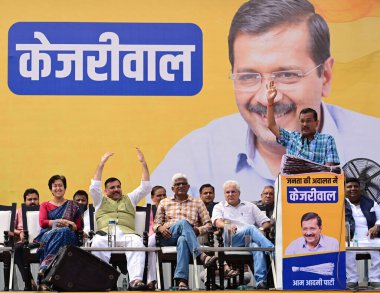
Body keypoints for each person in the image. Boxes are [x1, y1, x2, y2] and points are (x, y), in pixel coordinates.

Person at [151, 0, 380, 201]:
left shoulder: (373, 143)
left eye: (286, 75)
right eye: (249, 77)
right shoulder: (196, 156)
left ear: (326, 76)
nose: (266, 98)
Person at [89, 148, 152, 290]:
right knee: (97, 242)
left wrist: (143, 163)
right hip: (106, 235)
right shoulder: (99, 200)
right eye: (112, 187)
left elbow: (146, 187)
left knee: (137, 242)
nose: (116, 189)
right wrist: (101, 164)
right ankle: (102, 281)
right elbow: (94, 187)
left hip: (127, 234)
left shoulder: (130, 198)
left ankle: (135, 281)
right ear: (105, 191)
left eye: (118, 187)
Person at [153, 173, 218, 290]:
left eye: (184, 184)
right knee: (183, 223)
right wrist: (160, 228)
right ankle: (201, 255)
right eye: (178, 184)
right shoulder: (164, 202)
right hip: (168, 236)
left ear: (188, 187)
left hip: (187, 237)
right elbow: (155, 224)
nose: (181, 186)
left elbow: (208, 225)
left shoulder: (197, 202)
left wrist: (197, 230)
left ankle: (182, 281)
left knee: (183, 239)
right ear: (172, 189)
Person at [212, 180, 274, 289]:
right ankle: (271, 249)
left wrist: (261, 228)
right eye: (227, 192)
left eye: (233, 192)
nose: (230, 194)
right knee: (250, 228)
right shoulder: (219, 206)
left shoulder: (250, 206)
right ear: (224, 194)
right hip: (230, 239)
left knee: (257, 248)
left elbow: (266, 222)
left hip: (247, 240)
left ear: (239, 193)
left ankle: (261, 282)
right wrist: (227, 226)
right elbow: (217, 221)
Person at [266, 86, 340, 166]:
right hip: (293, 178)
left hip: (317, 178)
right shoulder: (292, 138)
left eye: (308, 121)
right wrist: (270, 103)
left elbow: (330, 168)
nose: (305, 124)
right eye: (302, 121)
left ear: (316, 123)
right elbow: (271, 125)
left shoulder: (326, 140)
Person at [34, 175, 82, 290]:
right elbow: (43, 222)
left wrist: (71, 225)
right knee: (62, 231)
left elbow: (78, 226)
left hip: (69, 237)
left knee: (65, 231)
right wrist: (59, 221)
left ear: (65, 188)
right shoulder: (45, 205)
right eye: (54, 186)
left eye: (60, 185)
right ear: (51, 189)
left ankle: (45, 270)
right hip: (48, 235)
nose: (57, 188)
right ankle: (53, 281)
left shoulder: (73, 205)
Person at [345, 178, 380, 290]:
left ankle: (375, 279)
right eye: (349, 186)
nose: (353, 189)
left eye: (356, 186)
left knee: (378, 246)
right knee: (345, 249)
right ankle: (352, 279)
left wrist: (376, 226)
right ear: (344, 189)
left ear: (360, 188)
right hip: (350, 237)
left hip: (369, 236)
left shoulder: (370, 202)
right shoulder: (339, 204)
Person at [14, 188, 39, 290]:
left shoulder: (43, 211)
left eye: (35, 199)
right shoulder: (18, 212)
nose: (33, 201)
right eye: (30, 199)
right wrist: (19, 232)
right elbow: (10, 229)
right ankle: (29, 282)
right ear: (24, 201)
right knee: (17, 249)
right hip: (23, 243)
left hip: (39, 242)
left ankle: (42, 283)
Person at [146, 185, 167, 290]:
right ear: (152, 197)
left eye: (164, 195)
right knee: (151, 245)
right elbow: (148, 227)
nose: (162, 197)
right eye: (159, 195)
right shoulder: (149, 210)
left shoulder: (170, 207)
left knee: (150, 244)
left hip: (168, 236)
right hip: (152, 236)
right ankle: (151, 280)